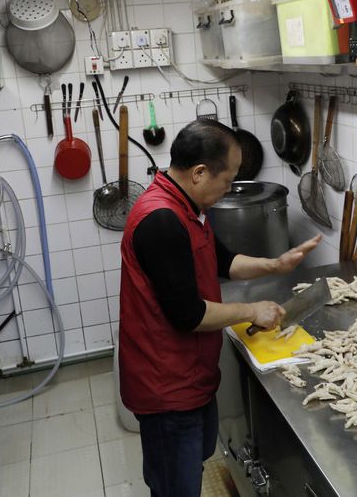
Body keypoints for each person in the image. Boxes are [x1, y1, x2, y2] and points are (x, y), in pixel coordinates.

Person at [118, 119, 321, 497]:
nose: (228, 188)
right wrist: (251, 310)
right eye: (226, 180)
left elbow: (222, 261)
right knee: (175, 488)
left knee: (188, 470)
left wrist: (275, 265)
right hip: (166, 388)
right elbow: (189, 314)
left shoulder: (187, 206)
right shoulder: (161, 220)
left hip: (191, 377)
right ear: (199, 173)